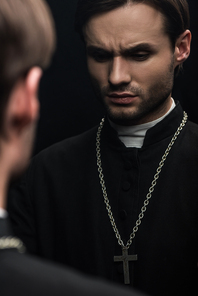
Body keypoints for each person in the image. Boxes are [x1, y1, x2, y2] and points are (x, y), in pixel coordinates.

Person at [8, 0, 198, 295]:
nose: (116, 77)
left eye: (138, 54)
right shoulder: (43, 175)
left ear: (181, 48)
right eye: (100, 55)